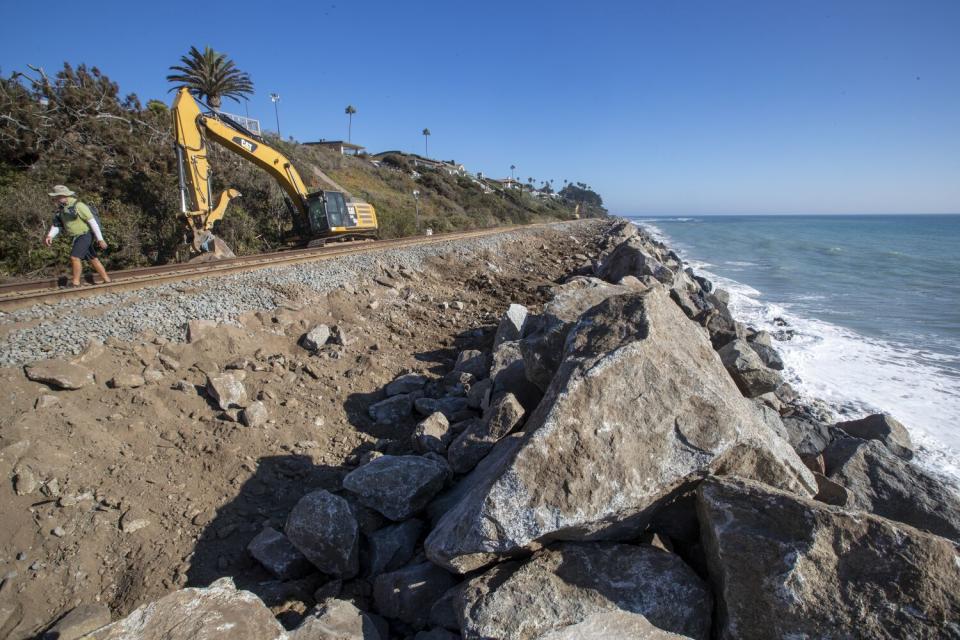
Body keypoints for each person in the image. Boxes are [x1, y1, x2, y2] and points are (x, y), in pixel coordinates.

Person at [43, 185, 112, 286]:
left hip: (85, 235)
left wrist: (100, 239)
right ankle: (107, 280)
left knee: (74, 257)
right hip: (76, 237)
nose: (55, 199)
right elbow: (57, 225)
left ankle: (75, 283)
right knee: (93, 258)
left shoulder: (79, 206)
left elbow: (93, 223)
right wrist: (50, 236)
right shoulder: (61, 209)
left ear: (64, 196)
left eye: (57, 196)